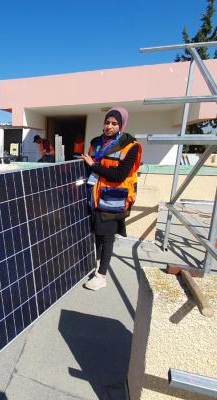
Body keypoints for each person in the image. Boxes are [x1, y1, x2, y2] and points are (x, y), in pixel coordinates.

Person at [80, 107, 142, 291]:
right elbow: (88, 167)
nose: (109, 126)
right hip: (94, 196)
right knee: (97, 234)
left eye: (114, 123)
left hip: (114, 199)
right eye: (107, 122)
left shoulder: (131, 146)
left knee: (107, 237)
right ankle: (97, 266)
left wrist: (94, 165)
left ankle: (101, 276)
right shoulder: (96, 142)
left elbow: (119, 175)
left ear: (121, 125)